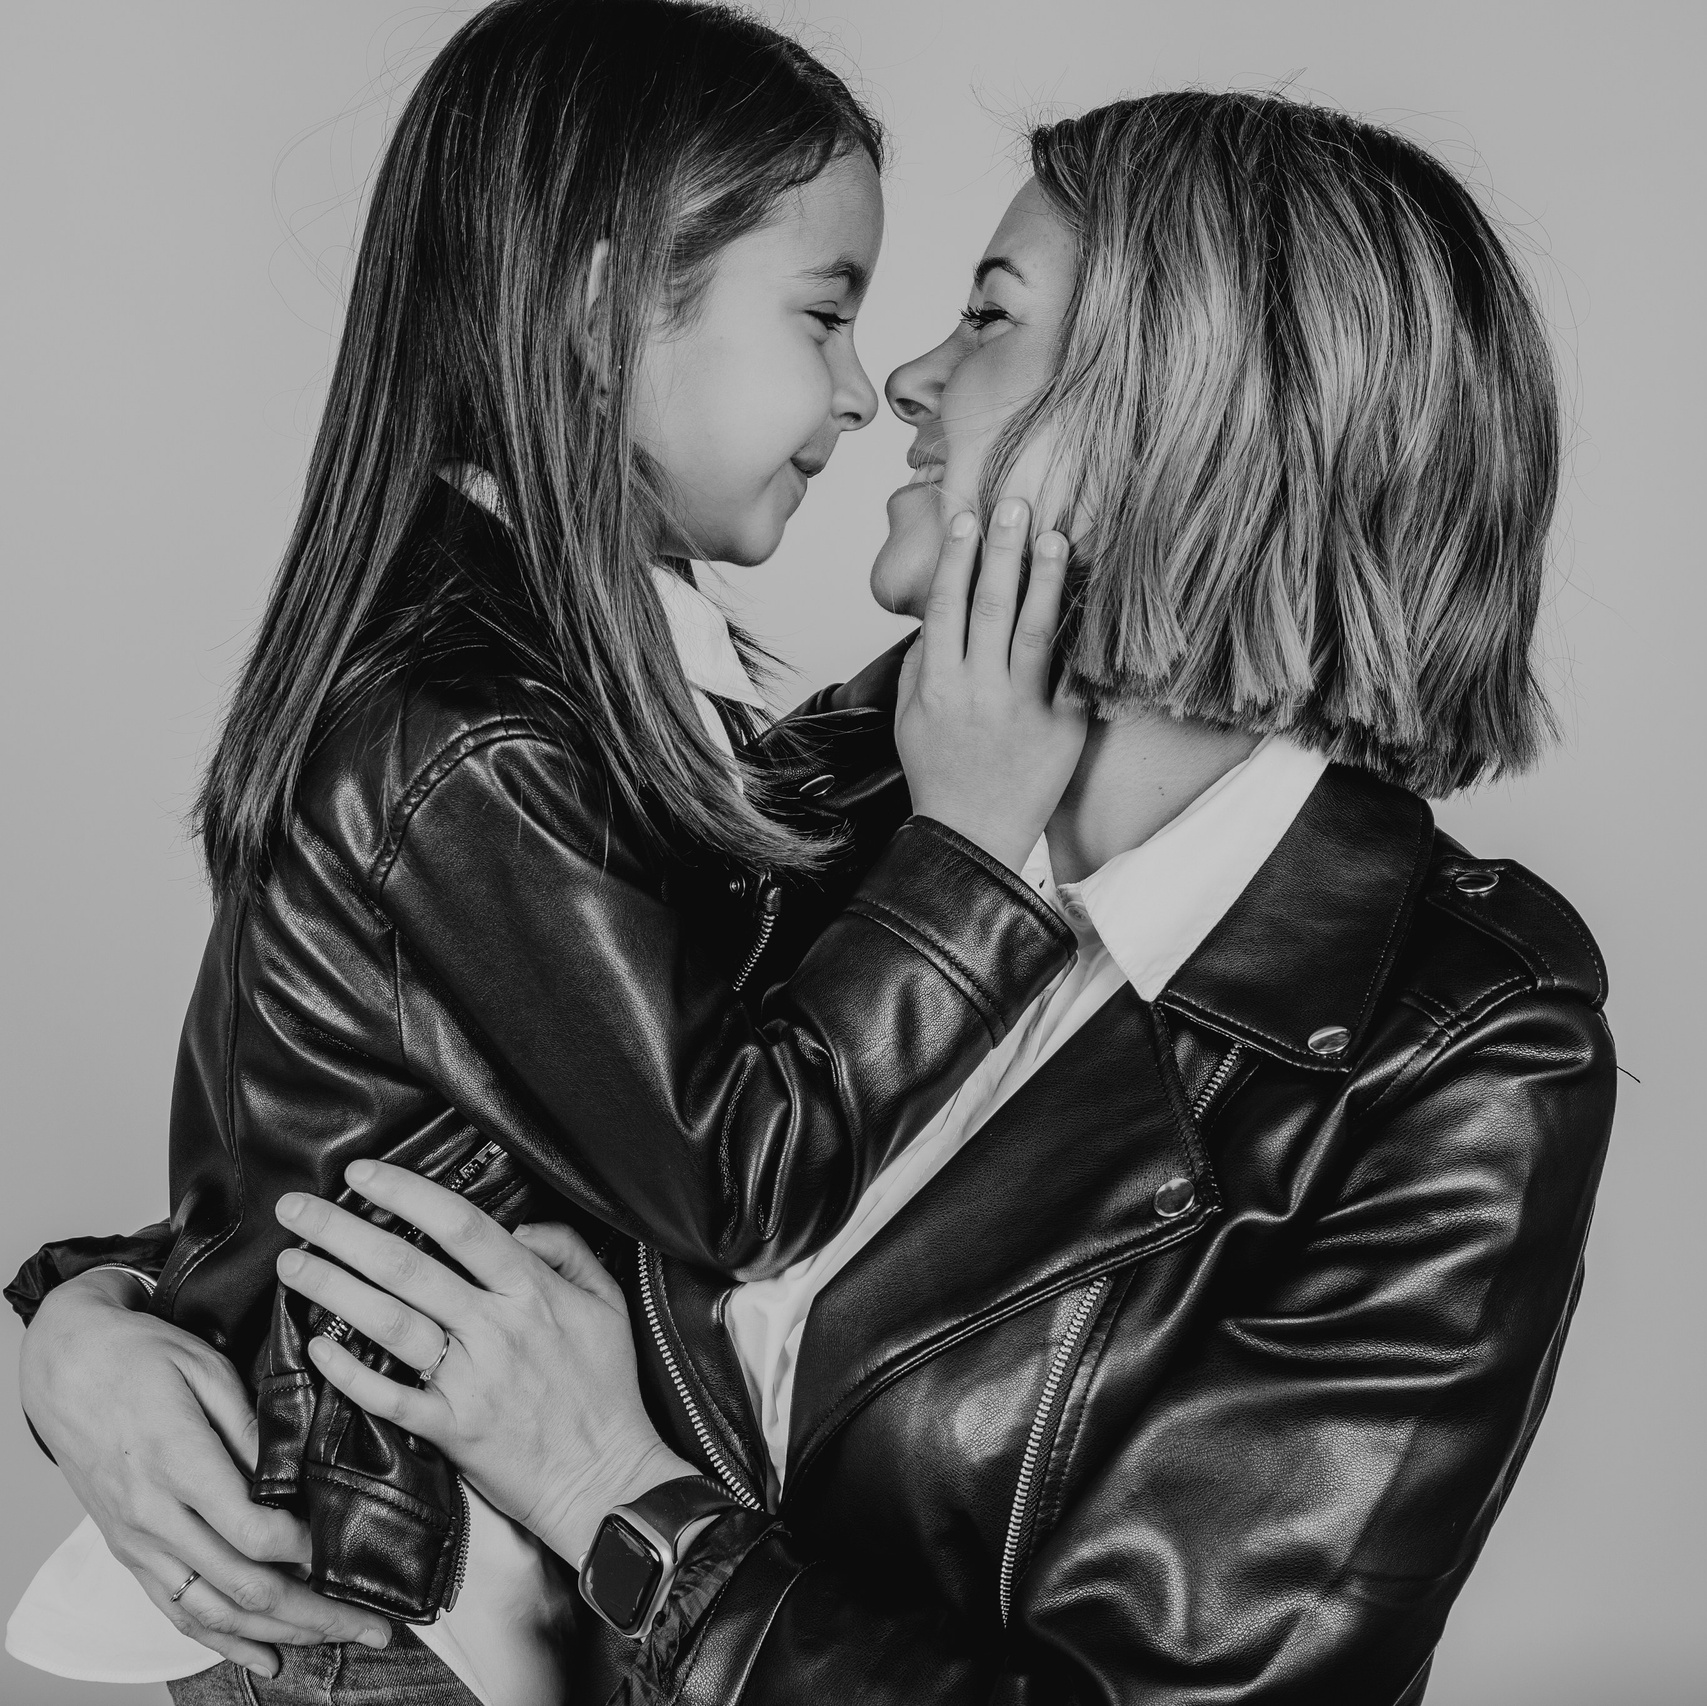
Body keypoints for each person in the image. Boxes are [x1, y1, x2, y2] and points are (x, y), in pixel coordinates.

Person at [256, 91, 1615, 1704]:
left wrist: (621, 1503)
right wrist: (104, 1330)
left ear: (1186, 421)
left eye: (990, 317)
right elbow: (422, 1104)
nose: (901, 374)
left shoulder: (1455, 1056)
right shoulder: (807, 787)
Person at [6, 2, 1088, 1702]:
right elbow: (731, 1170)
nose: (868, 392)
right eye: (827, 312)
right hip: (392, 1632)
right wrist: (967, 846)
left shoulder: (602, 682)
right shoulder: (472, 735)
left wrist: (85, 1296)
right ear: (599, 314)